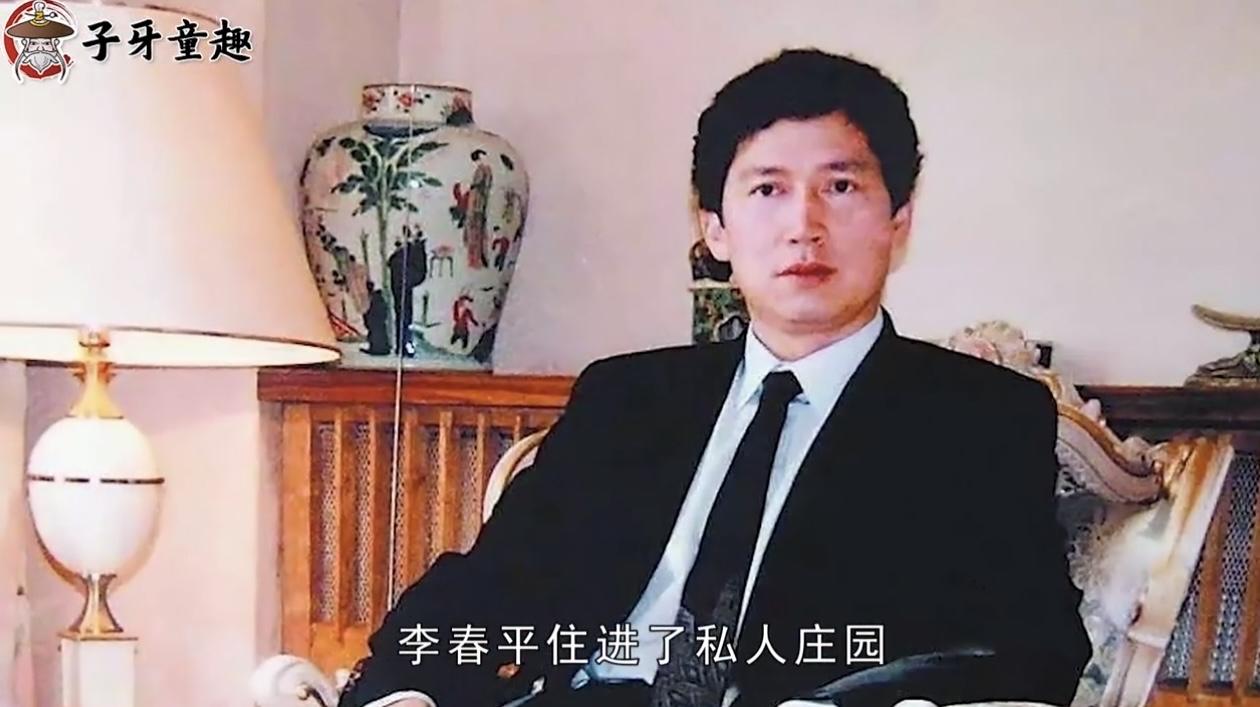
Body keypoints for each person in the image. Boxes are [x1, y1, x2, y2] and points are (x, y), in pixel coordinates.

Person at [338, 48, 1090, 707]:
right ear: (715, 230)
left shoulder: (976, 418)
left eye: (840, 187)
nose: (804, 225)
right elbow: (488, 589)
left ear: (899, 221)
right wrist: (411, 691)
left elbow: (1026, 650)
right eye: (767, 190)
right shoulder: (628, 399)